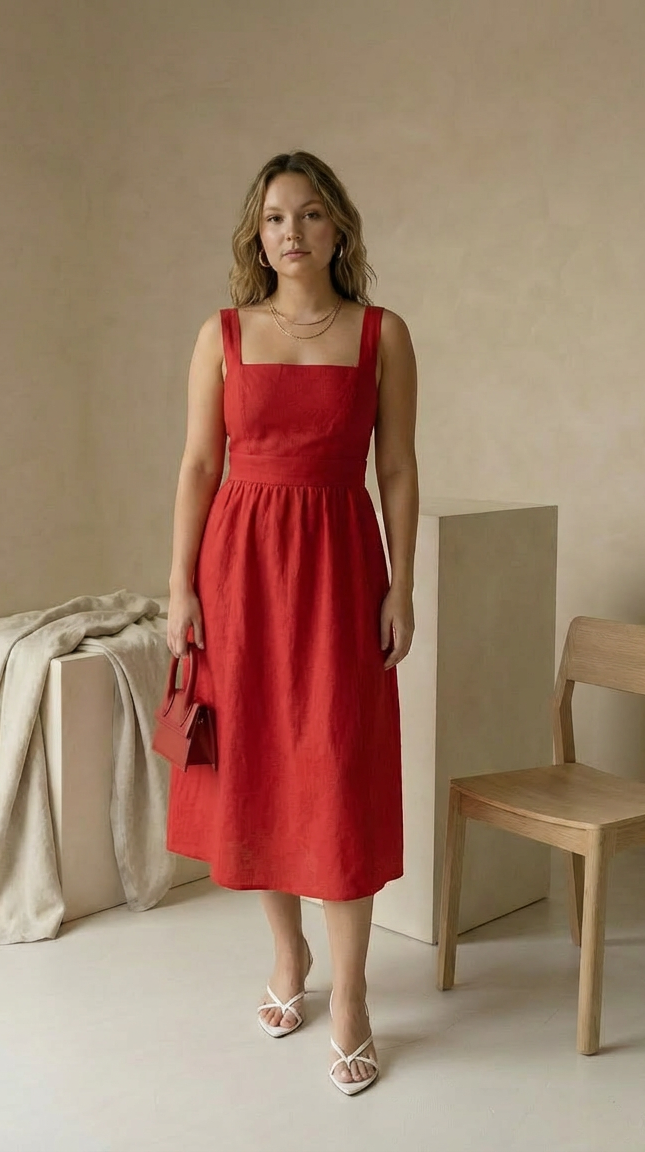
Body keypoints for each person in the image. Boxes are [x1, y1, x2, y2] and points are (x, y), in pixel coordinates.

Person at [164, 150, 418, 1095]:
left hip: (342, 569)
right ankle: (289, 956)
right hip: (238, 571)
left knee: (339, 772)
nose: (292, 232)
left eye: (310, 214)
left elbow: (398, 468)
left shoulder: (382, 334)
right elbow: (200, 465)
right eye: (275, 217)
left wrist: (402, 584)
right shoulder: (222, 333)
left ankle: (351, 994)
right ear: (256, 234)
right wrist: (180, 585)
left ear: (337, 226)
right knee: (259, 765)